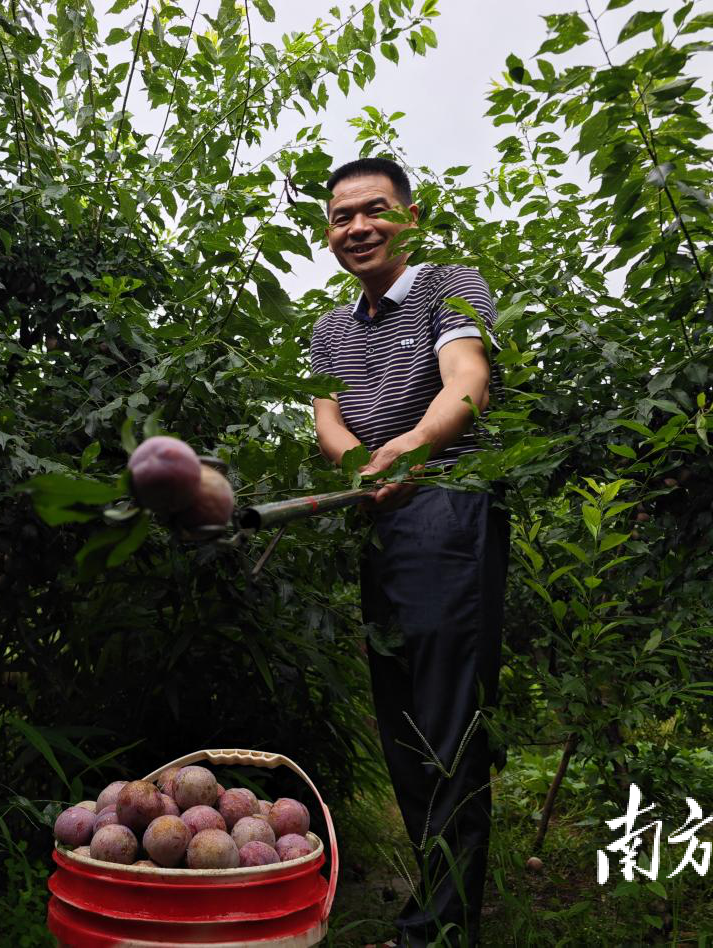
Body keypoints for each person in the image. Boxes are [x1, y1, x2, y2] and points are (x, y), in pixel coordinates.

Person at [308, 157, 510, 947]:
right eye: (341, 217)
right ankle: (437, 902)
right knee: (401, 718)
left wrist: (411, 450)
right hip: (379, 515)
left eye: (375, 210)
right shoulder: (329, 329)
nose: (357, 227)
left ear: (409, 217)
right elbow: (327, 420)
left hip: (448, 509)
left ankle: (438, 930)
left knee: (446, 716)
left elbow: (466, 380)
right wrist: (363, 465)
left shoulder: (448, 285)